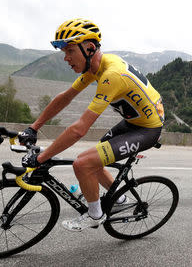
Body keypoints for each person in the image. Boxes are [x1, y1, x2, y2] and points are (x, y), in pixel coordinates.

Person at [19, 18, 165, 231]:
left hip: (147, 130)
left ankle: (95, 215)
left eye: (70, 51)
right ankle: (120, 200)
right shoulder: (95, 68)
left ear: (89, 48)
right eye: (64, 53)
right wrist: (34, 126)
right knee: (93, 159)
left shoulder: (111, 75)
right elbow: (65, 97)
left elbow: (79, 129)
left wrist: (41, 157)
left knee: (83, 163)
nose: (66, 59)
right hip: (132, 122)